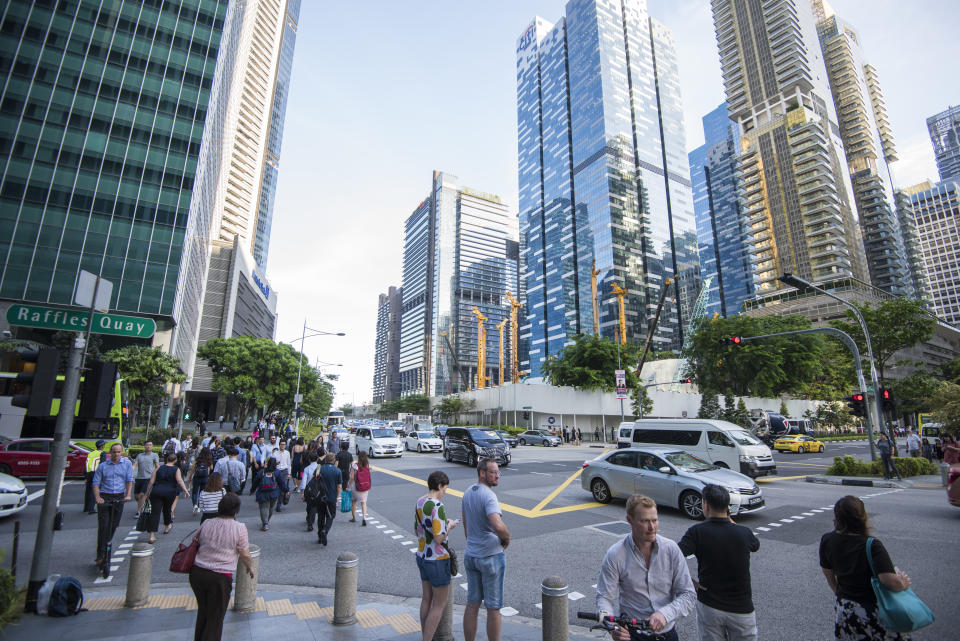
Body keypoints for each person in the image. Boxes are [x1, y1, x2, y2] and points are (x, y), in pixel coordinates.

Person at [596, 494, 696, 641]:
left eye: (655, 520)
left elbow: (688, 594)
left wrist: (665, 614)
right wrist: (612, 627)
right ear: (629, 520)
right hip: (633, 635)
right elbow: (604, 597)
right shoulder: (615, 555)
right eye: (645, 521)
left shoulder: (671, 549)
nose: (652, 527)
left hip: (667, 634)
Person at [820, 495, 913, 641]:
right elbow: (888, 581)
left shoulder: (827, 540)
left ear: (837, 517)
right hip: (871, 610)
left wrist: (838, 592)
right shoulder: (871, 545)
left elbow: (827, 572)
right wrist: (903, 583)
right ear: (862, 517)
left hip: (845, 609)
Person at [678, 485, 759, 641]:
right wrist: (728, 518)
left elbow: (673, 557)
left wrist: (689, 581)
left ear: (706, 505)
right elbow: (755, 545)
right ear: (727, 507)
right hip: (742, 608)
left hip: (710, 605)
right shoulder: (744, 533)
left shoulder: (696, 532)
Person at [189, 493, 254, 641]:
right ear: (236, 511)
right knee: (215, 619)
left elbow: (196, 540)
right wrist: (250, 567)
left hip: (197, 572)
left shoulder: (207, 523)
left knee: (204, 613)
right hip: (220, 577)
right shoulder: (239, 528)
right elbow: (244, 553)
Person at [462, 458, 510, 641]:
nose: (497, 475)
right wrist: (506, 537)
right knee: (493, 607)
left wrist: (475, 543)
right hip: (490, 556)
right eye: (493, 472)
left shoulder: (467, 493)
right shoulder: (489, 495)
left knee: (472, 604)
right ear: (482, 473)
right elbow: (497, 525)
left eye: (498, 472)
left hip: (471, 554)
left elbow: (466, 527)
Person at [415, 470, 459, 641]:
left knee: (426, 599)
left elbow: (417, 529)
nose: (445, 492)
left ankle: (424, 635)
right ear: (439, 486)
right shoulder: (437, 506)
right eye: (445, 488)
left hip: (422, 555)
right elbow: (439, 538)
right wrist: (450, 526)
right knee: (439, 604)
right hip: (437, 559)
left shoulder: (420, 501)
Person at [92, 443, 134, 567]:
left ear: (122, 453)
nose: (116, 454)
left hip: (119, 497)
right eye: (114, 452)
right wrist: (98, 497)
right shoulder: (103, 466)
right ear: (110, 452)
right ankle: (101, 554)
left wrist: (128, 495)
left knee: (114, 525)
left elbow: (129, 480)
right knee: (104, 526)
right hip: (105, 497)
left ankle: (105, 547)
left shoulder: (126, 464)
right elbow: (95, 483)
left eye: (119, 452)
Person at [144, 452, 190, 543]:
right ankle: (167, 526)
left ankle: (152, 535)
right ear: (175, 460)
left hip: (156, 491)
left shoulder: (158, 468)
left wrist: (147, 493)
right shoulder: (176, 469)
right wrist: (186, 491)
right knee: (167, 509)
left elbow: (151, 481)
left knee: (155, 512)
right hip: (170, 492)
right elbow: (179, 481)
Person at [254, 458, 288, 531]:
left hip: (262, 493)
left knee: (263, 508)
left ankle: (265, 523)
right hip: (274, 493)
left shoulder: (261, 472)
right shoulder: (277, 472)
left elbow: (255, 482)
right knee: (271, 507)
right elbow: (282, 483)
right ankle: (267, 521)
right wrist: (286, 490)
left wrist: (252, 490)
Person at [316, 453, 342, 545]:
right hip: (331, 496)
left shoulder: (319, 469)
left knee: (321, 516)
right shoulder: (337, 471)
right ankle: (325, 530)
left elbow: (314, 480)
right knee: (330, 516)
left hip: (320, 496)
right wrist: (337, 497)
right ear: (334, 460)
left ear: (325, 460)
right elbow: (339, 486)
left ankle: (320, 536)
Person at [133, 441, 160, 517]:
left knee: (142, 495)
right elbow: (135, 464)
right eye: (147, 445)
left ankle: (138, 512)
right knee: (136, 496)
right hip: (139, 477)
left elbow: (157, 466)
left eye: (150, 445)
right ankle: (147, 502)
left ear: (152, 446)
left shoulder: (154, 455)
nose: (148, 446)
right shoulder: (139, 455)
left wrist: (155, 474)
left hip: (148, 478)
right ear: (144, 446)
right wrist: (130, 471)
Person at [188, 448, 213, 515]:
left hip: (197, 477)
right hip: (205, 477)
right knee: (202, 492)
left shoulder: (197, 459)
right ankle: (199, 506)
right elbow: (211, 468)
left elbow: (192, 469)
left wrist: (189, 478)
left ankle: (195, 505)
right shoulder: (208, 460)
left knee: (195, 492)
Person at [83, 439, 106, 514]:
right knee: (94, 491)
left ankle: (86, 507)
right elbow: (102, 465)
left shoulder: (91, 453)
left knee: (88, 490)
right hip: (96, 473)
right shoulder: (102, 453)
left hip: (88, 472)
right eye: (104, 445)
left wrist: (85, 474)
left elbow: (86, 463)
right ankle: (91, 509)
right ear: (102, 446)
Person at [350, 451, 371, 525]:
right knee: (364, 502)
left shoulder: (354, 465)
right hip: (365, 486)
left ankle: (354, 518)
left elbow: (352, 477)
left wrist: (348, 486)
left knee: (353, 502)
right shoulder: (367, 465)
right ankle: (364, 518)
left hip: (356, 486)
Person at [272, 440, 291, 512]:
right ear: (279, 445)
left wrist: (289, 473)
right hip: (277, 471)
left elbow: (289, 463)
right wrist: (276, 464)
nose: (283, 446)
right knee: (276, 487)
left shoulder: (287, 453)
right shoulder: (275, 453)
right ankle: (274, 502)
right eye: (281, 444)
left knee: (283, 488)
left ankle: (279, 505)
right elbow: (272, 464)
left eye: (284, 444)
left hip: (285, 471)